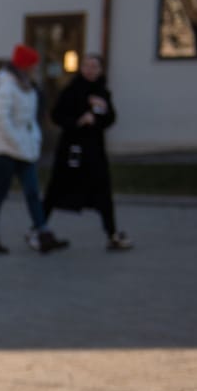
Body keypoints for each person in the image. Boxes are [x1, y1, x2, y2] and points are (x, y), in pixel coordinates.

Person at [0, 44, 68, 255]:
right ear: (25, 66)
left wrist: (33, 140)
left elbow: (30, 120)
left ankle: (43, 232)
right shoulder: (6, 88)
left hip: (26, 149)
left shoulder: (29, 88)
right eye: (34, 66)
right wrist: (18, 143)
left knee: (32, 192)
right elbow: (2, 121)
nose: (36, 70)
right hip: (5, 151)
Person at [46, 54, 132, 251]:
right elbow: (57, 115)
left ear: (100, 70)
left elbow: (110, 119)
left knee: (103, 190)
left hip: (94, 151)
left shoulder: (103, 92)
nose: (90, 70)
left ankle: (112, 233)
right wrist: (78, 120)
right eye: (87, 66)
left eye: (95, 67)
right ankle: (38, 228)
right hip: (72, 150)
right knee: (57, 188)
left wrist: (101, 113)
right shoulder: (71, 90)